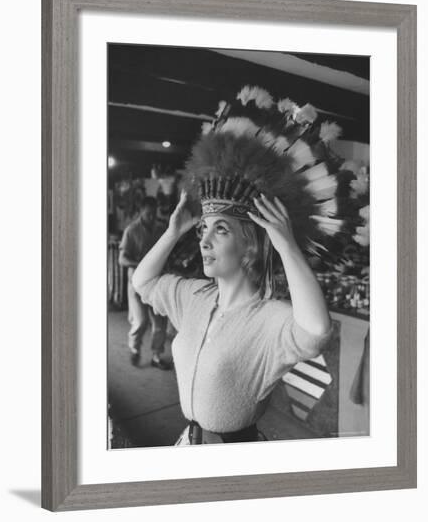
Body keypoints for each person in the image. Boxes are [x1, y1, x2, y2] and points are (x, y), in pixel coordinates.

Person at [131, 85, 342, 444]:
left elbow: (316, 332)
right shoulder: (195, 297)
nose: (204, 240)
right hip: (187, 444)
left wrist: (286, 245)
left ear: (249, 246)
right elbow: (143, 282)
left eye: (221, 230)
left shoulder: (267, 318)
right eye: (203, 229)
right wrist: (173, 231)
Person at [118, 196, 172, 370]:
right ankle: (134, 348)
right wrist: (141, 265)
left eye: (154, 213)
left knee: (160, 322)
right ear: (141, 211)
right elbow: (122, 259)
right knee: (140, 321)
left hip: (156, 283)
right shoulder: (131, 231)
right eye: (148, 213)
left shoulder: (161, 228)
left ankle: (156, 355)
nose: (151, 217)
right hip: (137, 283)